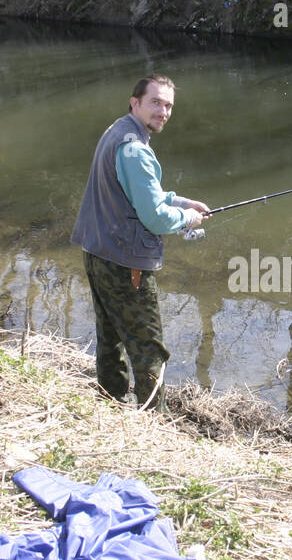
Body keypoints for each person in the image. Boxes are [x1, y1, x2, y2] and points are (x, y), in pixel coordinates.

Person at [70, 75, 210, 410]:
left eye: (168, 105)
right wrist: (187, 219)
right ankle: (153, 418)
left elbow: (139, 193)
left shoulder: (118, 131)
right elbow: (155, 219)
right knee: (148, 346)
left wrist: (179, 201)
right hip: (125, 261)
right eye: (156, 102)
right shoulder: (136, 150)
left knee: (110, 334)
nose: (163, 111)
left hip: (96, 251)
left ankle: (111, 400)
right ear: (135, 102)